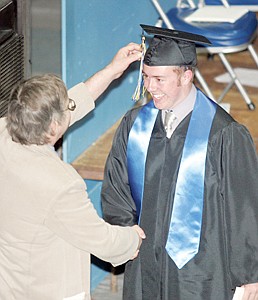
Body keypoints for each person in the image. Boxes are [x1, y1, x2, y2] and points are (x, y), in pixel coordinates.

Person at [101, 24, 258, 300]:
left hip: (201, 273)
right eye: (146, 77)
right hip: (145, 263)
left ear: (186, 76)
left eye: (159, 79)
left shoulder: (224, 135)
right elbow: (117, 186)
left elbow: (244, 209)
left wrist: (249, 276)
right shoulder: (136, 126)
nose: (150, 87)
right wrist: (127, 237)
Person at [0, 42, 146, 300]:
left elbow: (69, 107)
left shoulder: (5, 129)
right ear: (53, 128)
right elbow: (103, 242)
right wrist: (132, 238)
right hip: (48, 290)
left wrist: (113, 70)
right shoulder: (61, 184)